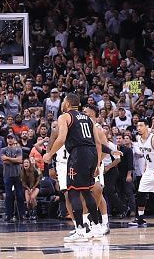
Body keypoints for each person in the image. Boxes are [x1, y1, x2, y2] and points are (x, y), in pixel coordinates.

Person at [43, 93, 104, 242]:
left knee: (73, 192)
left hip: (78, 154)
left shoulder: (64, 117)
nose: (63, 104)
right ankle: (96, 227)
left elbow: (61, 138)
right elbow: (97, 142)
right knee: (86, 191)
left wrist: (49, 154)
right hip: (91, 154)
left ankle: (80, 230)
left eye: (64, 101)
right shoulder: (88, 119)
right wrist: (96, 163)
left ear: (68, 103)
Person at [1, 134, 26, 221]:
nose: (10, 140)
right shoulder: (3, 149)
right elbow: (4, 161)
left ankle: (21, 214)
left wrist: (8, 159)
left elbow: (20, 160)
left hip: (17, 175)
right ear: (6, 140)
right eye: (8, 138)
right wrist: (14, 160)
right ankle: (8, 215)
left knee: (19, 195)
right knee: (8, 196)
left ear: (14, 139)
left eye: (11, 138)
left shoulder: (18, 149)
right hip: (7, 175)